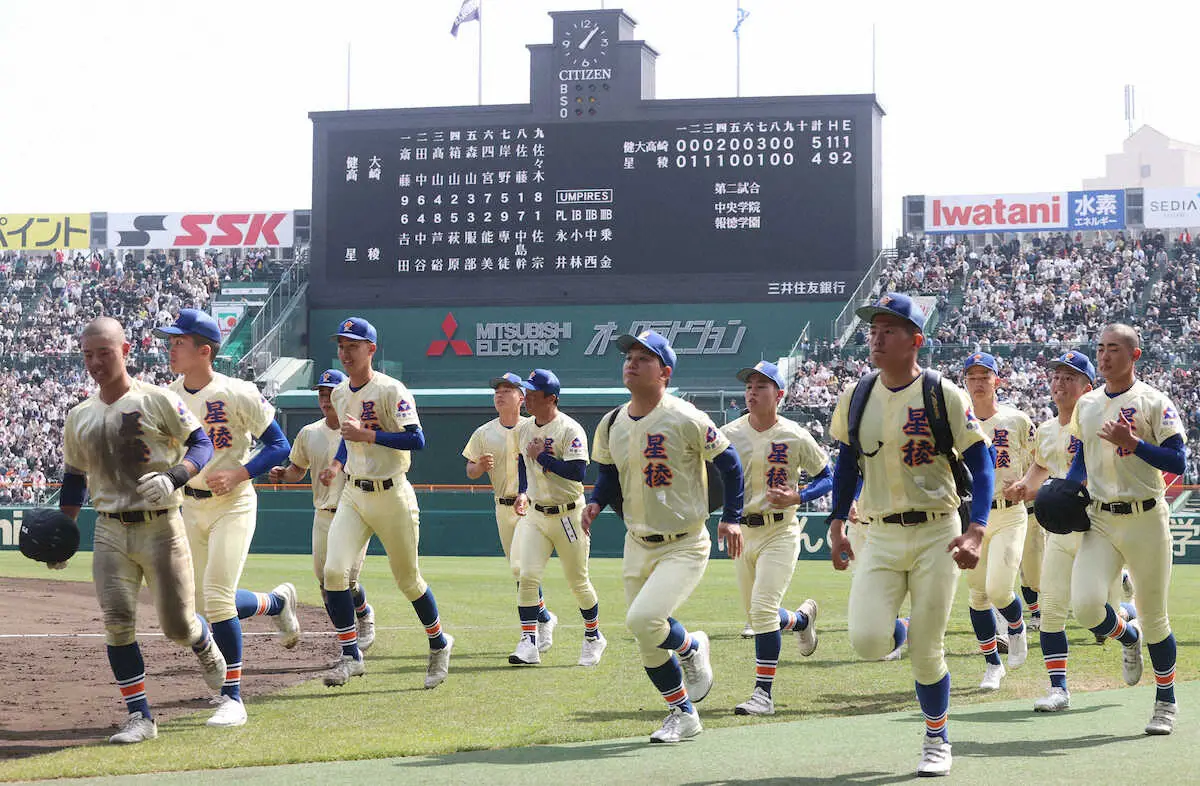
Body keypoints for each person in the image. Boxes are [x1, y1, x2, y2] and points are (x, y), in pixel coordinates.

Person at [827, 293, 994, 777]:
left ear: (915, 340)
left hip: (937, 533)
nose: (876, 338)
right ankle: (898, 630)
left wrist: (977, 529)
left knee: (928, 650)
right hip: (877, 532)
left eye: (889, 330)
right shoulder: (857, 394)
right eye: (873, 329)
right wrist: (837, 520)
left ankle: (937, 736)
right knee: (866, 641)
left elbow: (981, 466)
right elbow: (845, 462)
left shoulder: (942, 393)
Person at [60, 317, 226, 744]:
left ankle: (202, 639)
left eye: (104, 352)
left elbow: (202, 443)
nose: (95, 362)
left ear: (125, 350)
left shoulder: (156, 399)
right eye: (88, 354)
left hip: (161, 527)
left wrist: (175, 476)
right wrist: (65, 530)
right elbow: (74, 478)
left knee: (176, 627)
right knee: (117, 622)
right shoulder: (79, 416)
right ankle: (140, 716)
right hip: (110, 529)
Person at [582, 330, 745, 744]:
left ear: (665, 373)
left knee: (642, 619)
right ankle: (683, 714)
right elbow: (606, 473)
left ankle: (690, 647)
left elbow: (730, 463)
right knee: (647, 641)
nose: (631, 362)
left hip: (685, 542)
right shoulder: (613, 421)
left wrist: (732, 516)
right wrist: (597, 502)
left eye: (643, 357)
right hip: (636, 540)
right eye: (629, 356)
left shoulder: (686, 417)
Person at [157, 308, 296, 728]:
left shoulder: (237, 392)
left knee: (216, 599)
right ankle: (276, 602)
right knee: (202, 601)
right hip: (191, 506)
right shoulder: (167, 395)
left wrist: (239, 472)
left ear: (205, 350)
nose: (171, 347)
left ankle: (233, 698)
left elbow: (279, 444)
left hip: (234, 503)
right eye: (170, 340)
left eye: (178, 342)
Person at [319, 317, 453, 689]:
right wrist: (336, 462)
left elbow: (417, 440)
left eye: (353, 346)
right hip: (354, 494)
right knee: (334, 573)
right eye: (342, 346)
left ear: (371, 349)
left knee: (408, 580)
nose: (345, 352)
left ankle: (439, 643)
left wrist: (368, 434)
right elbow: (349, 437)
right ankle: (351, 656)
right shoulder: (341, 392)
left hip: (392, 493)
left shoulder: (392, 390)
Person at [1065, 324, 1184, 735]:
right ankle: (1125, 636)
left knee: (1156, 618)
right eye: (1099, 349)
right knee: (1084, 606)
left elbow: (1178, 461)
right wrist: (1069, 482)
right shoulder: (1088, 403)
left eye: (1113, 349)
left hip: (1147, 517)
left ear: (1134, 355)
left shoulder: (1153, 401)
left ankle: (1166, 701)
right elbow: (1082, 453)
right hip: (1100, 518)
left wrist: (1134, 444)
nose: (1103, 356)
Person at [1004, 350, 1134, 712]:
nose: (1060, 383)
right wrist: (1022, 487)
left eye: (1070, 377)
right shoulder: (1045, 430)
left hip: (1098, 530)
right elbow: (1039, 472)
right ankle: (1059, 688)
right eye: (1056, 376)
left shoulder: (1100, 424)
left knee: (1096, 614)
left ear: (1087, 387)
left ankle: (1130, 632)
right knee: (1052, 609)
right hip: (1060, 530)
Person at [721, 360, 830, 716]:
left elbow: (829, 476)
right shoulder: (729, 433)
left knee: (763, 610)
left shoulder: (795, 434)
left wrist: (799, 496)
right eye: (749, 385)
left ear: (779, 394)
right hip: (743, 532)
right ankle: (801, 621)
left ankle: (763, 695)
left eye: (761, 386)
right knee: (757, 615)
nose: (752, 391)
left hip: (780, 529)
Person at [268, 369, 375, 651]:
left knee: (347, 579)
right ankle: (346, 638)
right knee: (325, 581)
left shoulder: (358, 430)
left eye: (331, 393)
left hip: (355, 512)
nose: (326, 399)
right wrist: (283, 474)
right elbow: (297, 471)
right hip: (324, 513)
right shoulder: (309, 433)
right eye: (322, 394)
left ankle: (363, 615)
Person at [508, 369, 605, 666]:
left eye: (534, 395)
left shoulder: (569, 429)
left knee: (578, 582)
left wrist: (544, 458)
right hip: (537, 514)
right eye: (527, 393)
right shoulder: (524, 428)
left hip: (567, 515)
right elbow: (523, 462)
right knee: (527, 575)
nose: (527, 400)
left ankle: (593, 636)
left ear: (552, 399)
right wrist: (523, 490)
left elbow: (577, 473)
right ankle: (528, 642)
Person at [462, 372, 555, 650]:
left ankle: (531, 634)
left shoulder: (533, 427)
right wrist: (479, 467)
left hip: (532, 506)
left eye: (507, 390)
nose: (500, 394)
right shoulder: (484, 432)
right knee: (518, 570)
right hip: (503, 506)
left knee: (526, 570)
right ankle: (544, 618)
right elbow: (469, 470)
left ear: (521, 397)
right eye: (497, 390)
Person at [960, 352, 1034, 690]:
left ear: (997, 381)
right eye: (972, 376)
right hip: (971, 514)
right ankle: (993, 664)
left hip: (1009, 512)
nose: (978, 382)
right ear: (965, 382)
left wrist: (1028, 485)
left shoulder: (1016, 420)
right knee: (977, 595)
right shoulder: (955, 423)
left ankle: (1016, 629)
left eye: (984, 376)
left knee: (1000, 588)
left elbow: (1041, 462)